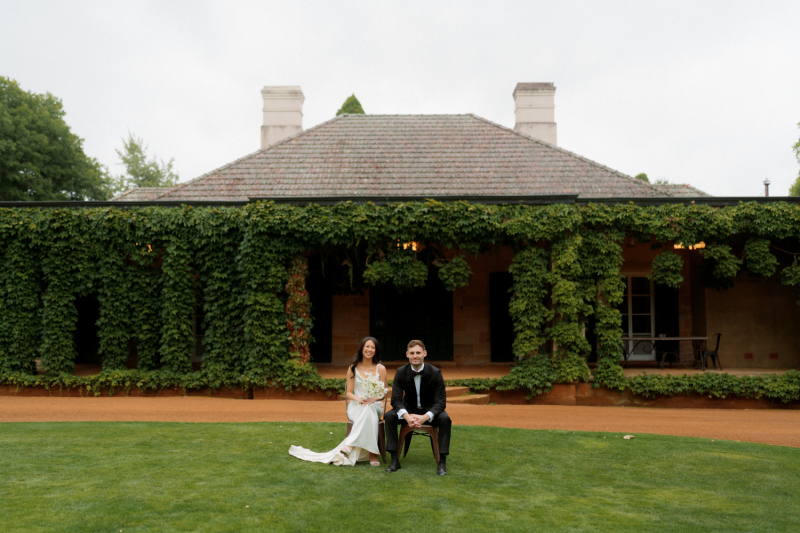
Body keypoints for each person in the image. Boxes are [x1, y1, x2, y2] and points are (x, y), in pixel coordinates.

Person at [289, 337, 387, 466]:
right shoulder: (353, 368)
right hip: (356, 406)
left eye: (372, 347)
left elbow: (383, 394)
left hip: (375, 405)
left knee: (369, 408)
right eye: (367, 346)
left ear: (376, 351)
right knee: (366, 409)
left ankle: (350, 444)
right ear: (362, 348)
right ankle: (372, 455)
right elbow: (349, 393)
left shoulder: (380, 369)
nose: (369, 349)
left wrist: (374, 398)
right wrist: (358, 398)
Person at [384, 339, 451, 476]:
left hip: (429, 411)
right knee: (389, 416)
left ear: (424, 353)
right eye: (412, 353)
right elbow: (396, 400)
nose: (415, 356)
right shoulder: (400, 372)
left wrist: (424, 417)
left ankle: (442, 462)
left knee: (445, 418)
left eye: (418, 353)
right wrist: (407, 417)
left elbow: (441, 402)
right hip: (409, 410)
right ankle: (394, 460)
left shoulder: (435, 373)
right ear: (407, 354)